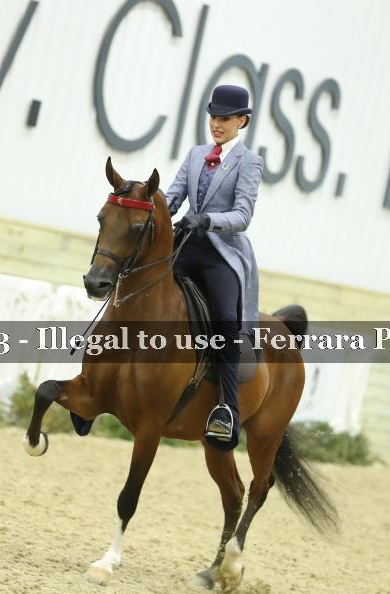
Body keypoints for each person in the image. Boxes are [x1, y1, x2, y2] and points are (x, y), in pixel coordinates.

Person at [165, 84, 264, 451]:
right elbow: (172, 197)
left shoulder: (249, 162)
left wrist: (206, 219)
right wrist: (145, 202)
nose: (217, 124)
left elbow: (242, 215)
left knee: (224, 318)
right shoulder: (195, 154)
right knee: (137, 283)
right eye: (213, 117)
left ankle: (227, 410)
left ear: (242, 121)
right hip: (186, 244)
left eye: (224, 118)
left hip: (221, 253)